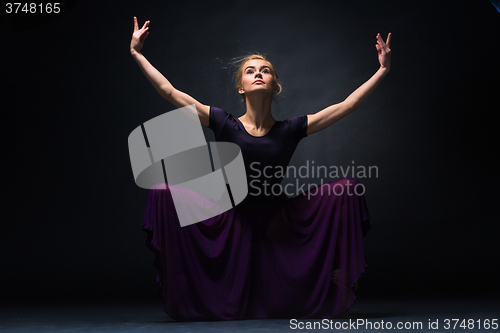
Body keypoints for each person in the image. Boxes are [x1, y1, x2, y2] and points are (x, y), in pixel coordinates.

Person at [130, 16, 391, 321]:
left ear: (274, 85)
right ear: (240, 87)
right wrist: (137, 53)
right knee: (163, 192)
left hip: (277, 219)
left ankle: (328, 277)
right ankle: (189, 281)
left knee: (346, 188)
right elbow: (169, 92)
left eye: (265, 71)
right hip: (229, 217)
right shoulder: (222, 122)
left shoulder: (291, 129)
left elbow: (347, 105)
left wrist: (382, 70)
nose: (258, 74)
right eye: (250, 71)